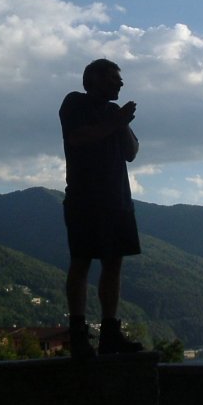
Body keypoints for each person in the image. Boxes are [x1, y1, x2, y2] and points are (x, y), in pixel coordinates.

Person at [59, 58, 143, 359]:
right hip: (85, 198)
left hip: (117, 200)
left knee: (113, 263)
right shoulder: (74, 103)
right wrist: (116, 121)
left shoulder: (112, 113)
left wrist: (121, 123)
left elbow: (132, 153)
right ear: (92, 80)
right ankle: (79, 334)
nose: (120, 83)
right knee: (81, 262)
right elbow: (79, 137)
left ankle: (109, 333)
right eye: (113, 78)